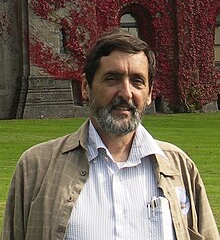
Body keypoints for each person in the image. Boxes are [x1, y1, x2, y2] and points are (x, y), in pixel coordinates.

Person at [1, 29, 219, 240]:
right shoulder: (36, 167)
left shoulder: (180, 167)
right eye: (112, 79)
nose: (125, 93)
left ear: (150, 93)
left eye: (137, 81)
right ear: (86, 87)